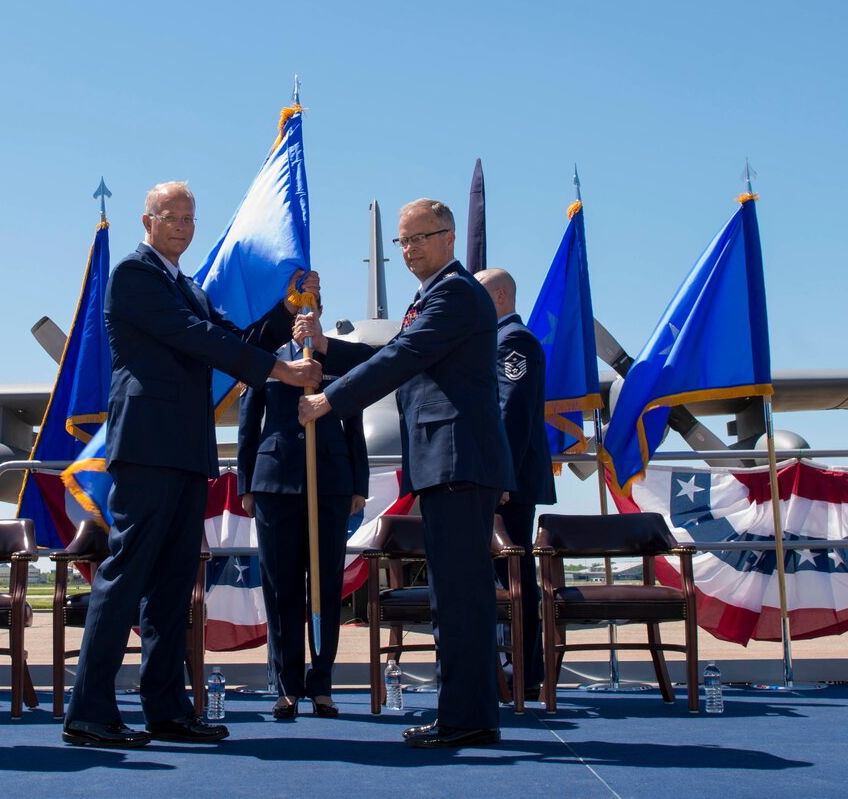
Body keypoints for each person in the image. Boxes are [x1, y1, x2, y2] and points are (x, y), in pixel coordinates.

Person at [62, 181, 321, 748]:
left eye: (189, 218)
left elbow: (235, 338)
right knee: (126, 576)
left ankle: (166, 707)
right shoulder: (134, 276)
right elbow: (197, 339)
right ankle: (90, 710)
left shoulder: (188, 287)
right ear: (148, 221)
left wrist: (288, 309)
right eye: (171, 216)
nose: (182, 226)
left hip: (185, 452)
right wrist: (281, 373)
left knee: (175, 586)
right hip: (148, 448)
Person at [299, 198, 515, 749]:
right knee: (451, 592)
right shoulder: (433, 297)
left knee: (460, 595)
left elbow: (403, 357)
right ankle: (465, 712)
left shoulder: (456, 295)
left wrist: (329, 401)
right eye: (403, 241)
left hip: (458, 461)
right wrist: (326, 349)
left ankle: (465, 716)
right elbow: (396, 350)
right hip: (445, 462)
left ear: (448, 238)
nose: (411, 249)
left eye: (421, 237)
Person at [239, 310, 367, 720]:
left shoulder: (336, 358)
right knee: (281, 589)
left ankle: (322, 683)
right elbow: (249, 423)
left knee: (326, 585)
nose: (304, 320)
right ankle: (287, 685)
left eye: (312, 311)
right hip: (275, 482)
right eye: (298, 312)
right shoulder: (267, 358)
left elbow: (354, 422)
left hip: (330, 481)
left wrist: (358, 483)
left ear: (322, 316)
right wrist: (247, 483)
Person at [475, 267, 555, 701]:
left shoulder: (513, 341)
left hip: (509, 483)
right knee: (499, 578)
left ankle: (523, 673)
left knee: (515, 577)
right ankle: (507, 671)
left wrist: (498, 473)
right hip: (500, 477)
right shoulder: (493, 342)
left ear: (502, 296)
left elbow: (513, 412)